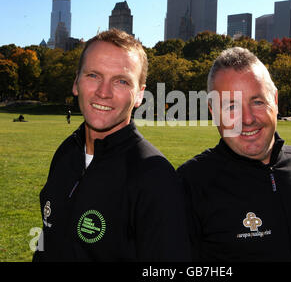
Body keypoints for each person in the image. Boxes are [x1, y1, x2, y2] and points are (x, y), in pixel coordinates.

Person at [177, 47, 291, 262]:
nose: (247, 119)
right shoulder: (189, 185)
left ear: (275, 100)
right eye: (231, 106)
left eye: (257, 102)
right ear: (213, 111)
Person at [33, 29, 190, 262]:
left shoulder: (154, 176)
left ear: (139, 95)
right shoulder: (66, 152)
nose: (103, 92)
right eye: (93, 75)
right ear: (76, 83)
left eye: (121, 81)